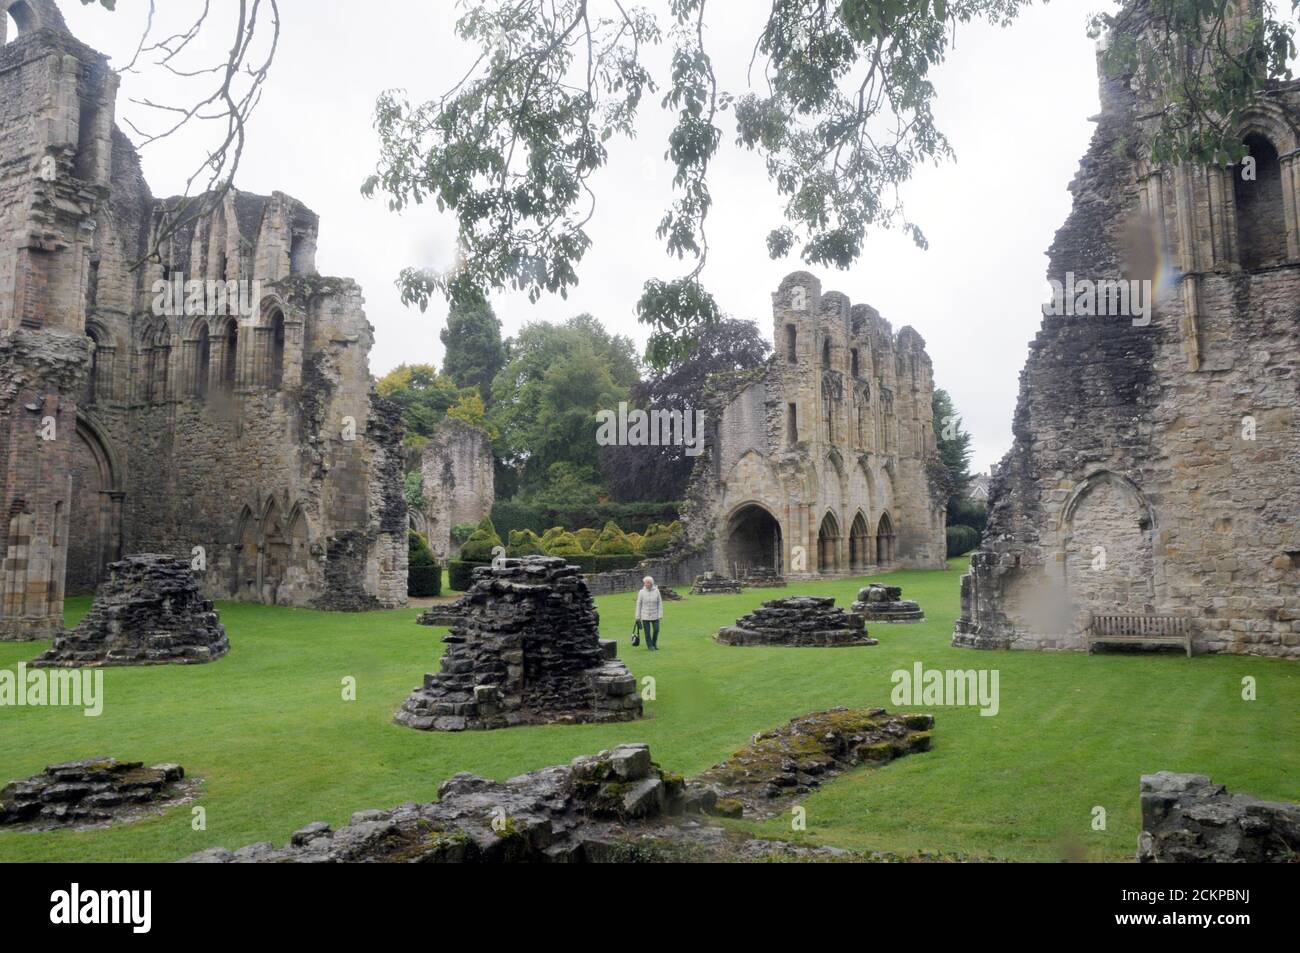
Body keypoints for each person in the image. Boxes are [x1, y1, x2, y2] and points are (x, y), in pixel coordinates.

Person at [634, 575, 662, 650]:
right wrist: (637, 616)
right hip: (645, 615)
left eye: (648, 583)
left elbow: (659, 603)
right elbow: (638, 604)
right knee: (647, 632)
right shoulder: (641, 592)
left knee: (656, 629)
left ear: (652, 583)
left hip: (655, 614)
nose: (646, 584)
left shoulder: (656, 591)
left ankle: (654, 643)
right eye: (645, 583)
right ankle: (650, 646)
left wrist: (660, 614)